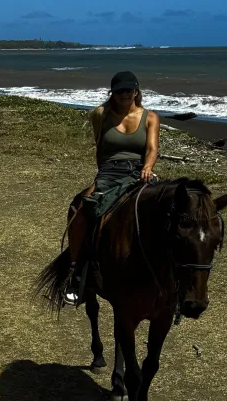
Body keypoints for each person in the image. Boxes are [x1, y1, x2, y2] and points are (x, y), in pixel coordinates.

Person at [63, 71, 160, 305]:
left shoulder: (150, 117)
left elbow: (152, 149)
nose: (124, 94)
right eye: (119, 91)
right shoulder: (101, 115)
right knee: (81, 213)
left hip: (139, 171)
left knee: (165, 214)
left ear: (136, 91)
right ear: (113, 94)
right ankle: (76, 272)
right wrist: (101, 174)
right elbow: (99, 147)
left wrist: (147, 167)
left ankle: (170, 280)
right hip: (109, 171)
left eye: (128, 90)